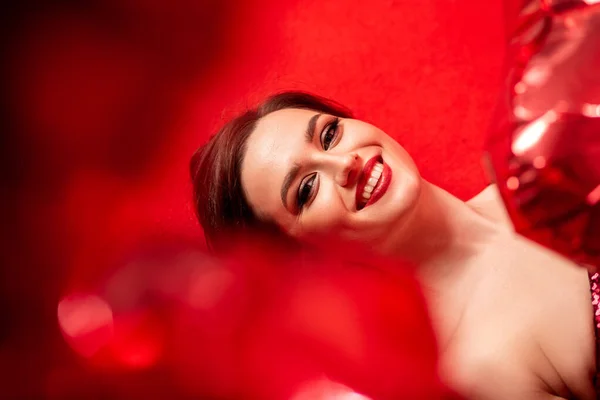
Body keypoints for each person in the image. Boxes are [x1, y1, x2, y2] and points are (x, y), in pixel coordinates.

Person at [190, 91, 597, 399]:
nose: (345, 164)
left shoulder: (543, 172)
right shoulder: (475, 370)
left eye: (330, 134)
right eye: (307, 189)